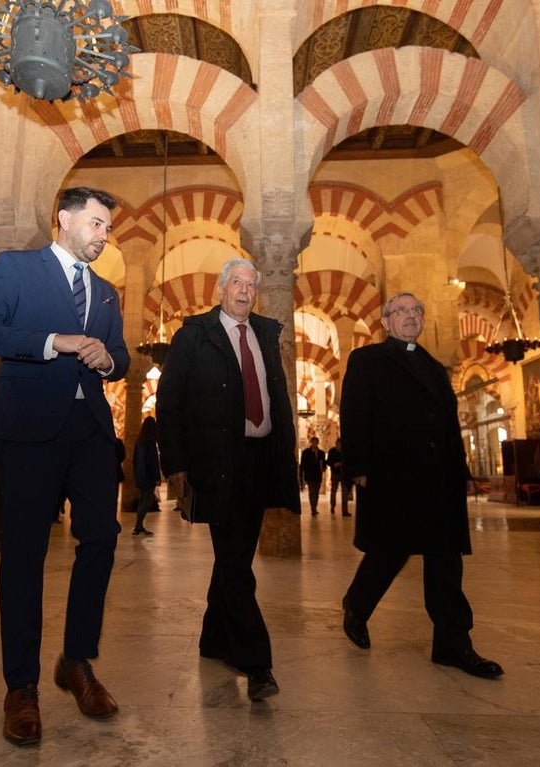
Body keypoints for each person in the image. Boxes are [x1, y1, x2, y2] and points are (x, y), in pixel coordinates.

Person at [0, 187, 130, 746]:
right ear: (64, 218)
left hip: (90, 435)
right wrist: (52, 342)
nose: (104, 236)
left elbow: (122, 356)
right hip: (30, 430)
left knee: (101, 540)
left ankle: (76, 662)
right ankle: (21, 687)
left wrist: (111, 360)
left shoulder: (107, 293)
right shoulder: (16, 268)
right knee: (24, 554)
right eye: (98, 224)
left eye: (108, 229)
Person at [156, 257, 300, 702]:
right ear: (220, 289)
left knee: (234, 557)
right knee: (236, 563)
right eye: (236, 283)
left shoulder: (264, 333)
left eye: (250, 285)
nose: (244, 291)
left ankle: (213, 639)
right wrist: (176, 466)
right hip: (219, 462)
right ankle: (257, 663)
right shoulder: (195, 334)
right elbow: (170, 402)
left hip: (260, 459)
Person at [338, 292, 503, 680]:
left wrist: (460, 471)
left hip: (439, 478)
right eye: (401, 311)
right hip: (393, 474)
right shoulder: (368, 359)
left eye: (417, 311)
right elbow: (354, 413)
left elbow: (448, 424)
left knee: (446, 559)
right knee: (389, 552)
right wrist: (359, 467)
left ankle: (453, 644)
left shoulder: (432, 364)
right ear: (386, 321)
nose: (410, 317)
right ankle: (357, 606)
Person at [132, 416, 160, 536]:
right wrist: (156, 477)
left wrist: (136, 475)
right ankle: (138, 526)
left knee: (143, 500)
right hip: (148, 477)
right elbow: (152, 461)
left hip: (141, 476)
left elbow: (134, 461)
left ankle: (139, 526)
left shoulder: (139, 442)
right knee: (147, 502)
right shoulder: (150, 442)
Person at [300, 436, 327, 515]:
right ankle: (313, 509)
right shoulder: (305, 452)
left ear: (318, 443)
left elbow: (324, 463)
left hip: (318, 476)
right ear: (311, 442)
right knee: (312, 492)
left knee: (316, 493)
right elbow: (302, 465)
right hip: (310, 476)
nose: (315, 443)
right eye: (313, 442)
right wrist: (301, 477)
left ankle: (314, 507)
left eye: (316, 442)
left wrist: (324, 468)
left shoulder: (321, 453)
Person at [326, 437, 352, 516]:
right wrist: (334, 464)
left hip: (344, 474)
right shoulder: (332, 451)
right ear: (336, 444)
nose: (339, 446)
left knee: (345, 492)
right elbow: (328, 462)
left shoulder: (346, 451)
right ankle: (333, 506)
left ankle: (345, 511)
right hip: (335, 474)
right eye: (338, 444)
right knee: (334, 491)